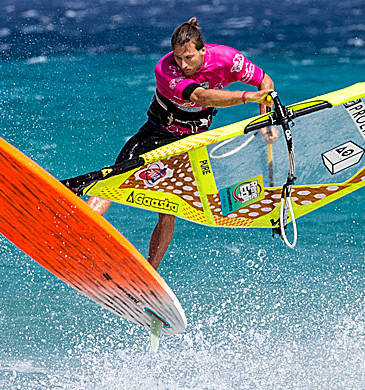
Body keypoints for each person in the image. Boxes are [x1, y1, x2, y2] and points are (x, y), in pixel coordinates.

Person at [86, 17, 276, 269]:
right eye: (178, 57)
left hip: (190, 141)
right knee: (115, 177)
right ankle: (85, 225)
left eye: (189, 58)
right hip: (159, 132)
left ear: (202, 51)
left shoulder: (228, 60)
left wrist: (265, 119)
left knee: (169, 208)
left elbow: (265, 82)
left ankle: (150, 274)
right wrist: (247, 96)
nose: (183, 65)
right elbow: (200, 95)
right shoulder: (165, 69)